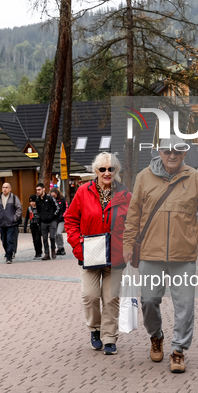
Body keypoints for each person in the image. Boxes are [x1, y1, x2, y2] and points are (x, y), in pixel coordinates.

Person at [123, 136, 198, 373]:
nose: (172, 156)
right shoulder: (143, 177)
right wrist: (128, 244)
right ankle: (156, 336)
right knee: (148, 301)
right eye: (168, 151)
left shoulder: (195, 178)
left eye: (178, 152)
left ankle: (178, 350)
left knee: (185, 306)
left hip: (183, 255)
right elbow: (133, 215)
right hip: (150, 254)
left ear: (184, 154)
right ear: (159, 152)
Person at [64, 152, 132, 356]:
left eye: (111, 169)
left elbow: (133, 225)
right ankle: (95, 329)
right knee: (90, 296)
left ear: (117, 171)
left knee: (111, 298)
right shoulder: (83, 192)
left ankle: (110, 337)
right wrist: (78, 246)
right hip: (90, 253)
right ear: (96, 171)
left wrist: (130, 247)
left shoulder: (125, 195)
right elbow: (70, 220)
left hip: (116, 255)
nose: (107, 172)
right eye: (102, 169)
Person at [0, 183, 22, 264]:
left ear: (10, 189)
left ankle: (9, 257)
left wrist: (14, 218)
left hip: (11, 223)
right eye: (3, 187)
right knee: (4, 240)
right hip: (2, 223)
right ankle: (7, 252)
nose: (4, 189)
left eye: (6, 187)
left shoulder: (14, 198)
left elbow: (19, 208)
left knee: (9, 240)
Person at [35, 183, 59, 260]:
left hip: (52, 221)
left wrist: (54, 216)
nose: (38, 191)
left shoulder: (50, 198)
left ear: (43, 189)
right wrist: (39, 219)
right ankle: (47, 253)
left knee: (52, 237)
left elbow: (57, 208)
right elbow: (37, 211)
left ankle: (53, 250)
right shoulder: (37, 200)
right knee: (44, 239)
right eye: (37, 190)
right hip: (43, 222)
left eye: (39, 189)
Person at [23, 195, 43, 259]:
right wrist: (25, 227)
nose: (32, 203)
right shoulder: (29, 209)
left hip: (38, 226)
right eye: (30, 202)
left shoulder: (39, 208)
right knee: (34, 240)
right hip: (32, 226)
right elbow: (26, 218)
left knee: (38, 239)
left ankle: (39, 252)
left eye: (33, 201)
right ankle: (36, 252)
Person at [50, 188, 68, 255]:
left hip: (61, 219)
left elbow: (66, 208)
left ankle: (62, 247)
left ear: (57, 194)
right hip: (54, 219)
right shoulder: (51, 200)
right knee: (54, 235)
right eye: (52, 196)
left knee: (59, 233)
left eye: (54, 195)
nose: (53, 197)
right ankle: (59, 248)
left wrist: (63, 216)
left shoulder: (62, 199)